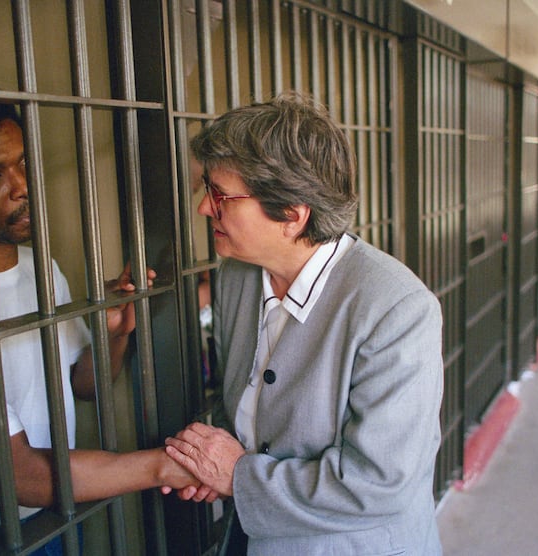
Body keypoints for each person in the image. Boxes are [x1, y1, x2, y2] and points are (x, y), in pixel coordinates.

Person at [0, 83, 195, 553]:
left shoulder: (39, 270)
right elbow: (18, 475)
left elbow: (85, 384)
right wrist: (163, 466)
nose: (23, 185)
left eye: (23, 162)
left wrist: (113, 333)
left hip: (52, 513)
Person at [165, 92, 445, 555]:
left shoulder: (396, 308)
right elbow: (254, 405)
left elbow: (377, 482)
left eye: (221, 195)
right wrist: (212, 461)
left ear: (292, 216)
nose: (203, 208)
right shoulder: (237, 275)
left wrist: (237, 476)